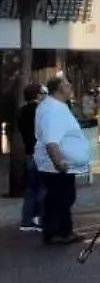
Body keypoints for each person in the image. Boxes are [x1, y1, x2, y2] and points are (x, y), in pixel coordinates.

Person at [32, 76, 89, 246]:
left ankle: (65, 231)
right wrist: (58, 161)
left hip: (61, 165)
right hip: (56, 166)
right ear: (58, 88)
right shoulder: (53, 109)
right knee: (59, 198)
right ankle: (54, 232)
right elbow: (51, 139)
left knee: (64, 198)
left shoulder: (55, 106)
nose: (70, 87)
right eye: (67, 85)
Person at [14, 82, 42, 233]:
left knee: (31, 188)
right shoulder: (40, 110)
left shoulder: (22, 111)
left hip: (30, 152)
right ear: (38, 94)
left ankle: (27, 220)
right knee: (43, 186)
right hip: (41, 152)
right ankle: (40, 218)